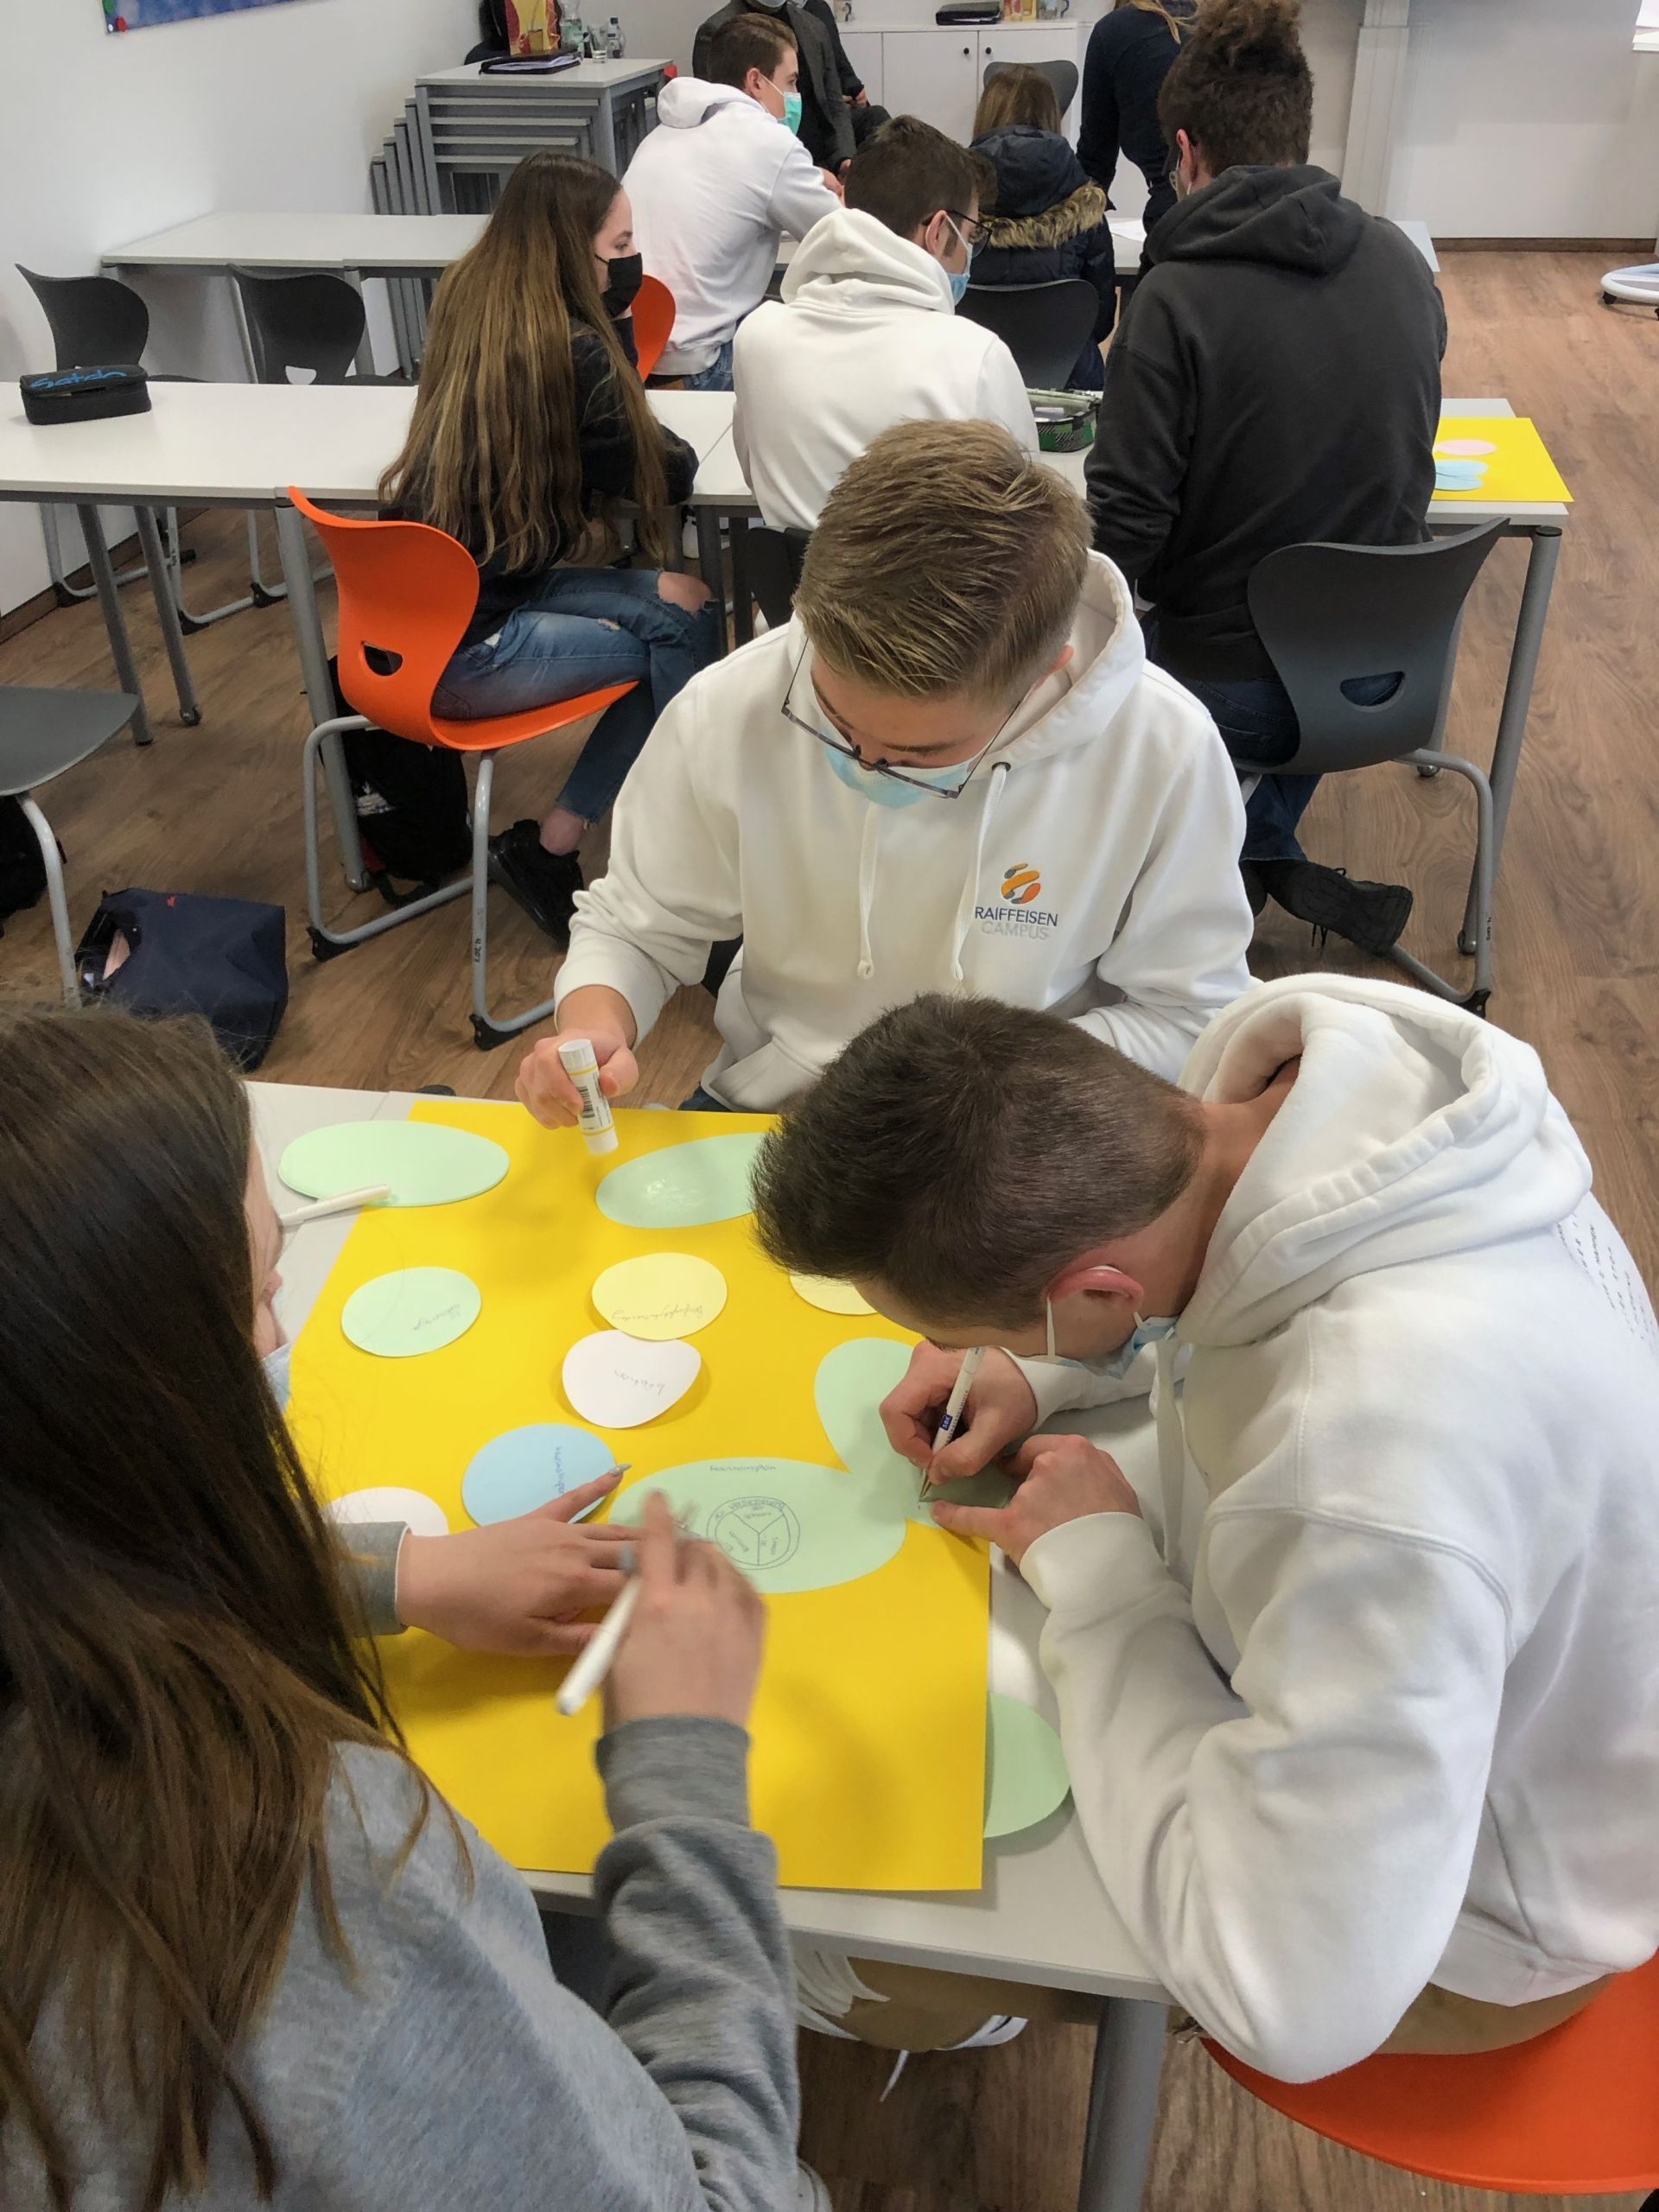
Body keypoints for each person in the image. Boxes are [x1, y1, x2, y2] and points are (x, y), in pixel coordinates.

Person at [750, 977, 1659, 2081]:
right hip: (1444, 1678)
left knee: (838, 1927)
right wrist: (1040, 1367)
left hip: (1479, 1919)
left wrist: (1107, 1587)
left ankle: (952, 2006)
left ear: (1099, 1290)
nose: (970, 1352)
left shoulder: (1369, 1464)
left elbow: (1291, 1998)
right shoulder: (1308, 1099)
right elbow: (1219, 1292)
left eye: (979, 1331)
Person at [0, 1003, 824, 2209]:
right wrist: (688, 1776)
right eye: (261, 1291)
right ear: (148, 1399)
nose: (281, 1333)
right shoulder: (305, 1890)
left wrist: (398, 1575)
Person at [515, 417, 1252, 1129]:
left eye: (920, 754)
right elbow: (636, 925)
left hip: (1025, 1129)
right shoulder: (734, 701)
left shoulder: (1163, 749)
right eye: (832, 721)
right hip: (778, 1104)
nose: (863, 764)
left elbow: (1190, 1015)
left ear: (1041, 674)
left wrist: (991, 1094)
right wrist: (593, 1026)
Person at [1084, 0, 1446, 954]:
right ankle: (1265, 857)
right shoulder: (1403, 265)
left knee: (1074, 651)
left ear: (1185, 151)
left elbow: (1122, 534)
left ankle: (1206, 878)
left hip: (1233, 686)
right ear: (1300, 136)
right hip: (1387, 668)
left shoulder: (1172, 299)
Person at [378, 150, 717, 944]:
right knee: (681, 638)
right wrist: (616, 326)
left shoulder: (470, 300)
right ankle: (676, 856)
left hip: (449, 600)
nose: (633, 260)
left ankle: (582, 844)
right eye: (621, 245)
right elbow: (665, 471)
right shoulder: (576, 349)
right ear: (571, 251)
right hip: (471, 644)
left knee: (689, 609)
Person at [733, 116, 1037, 532]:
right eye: (970, 237)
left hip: (796, 575)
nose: (969, 254)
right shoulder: (975, 359)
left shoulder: (758, 339)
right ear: (937, 232)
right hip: (929, 577)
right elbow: (1022, 517)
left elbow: (756, 476)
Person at [622, 14, 842, 392]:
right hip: (699, 364)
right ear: (757, 81)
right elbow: (843, 238)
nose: (795, 96)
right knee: (827, 353)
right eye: (791, 82)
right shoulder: (768, 141)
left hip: (634, 352)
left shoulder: (666, 130)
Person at [969, 68, 1116, 393]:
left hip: (973, 386)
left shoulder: (953, 209)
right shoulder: (1087, 210)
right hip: (1071, 393)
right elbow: (1101, 320)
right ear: (1052, 117)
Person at [695, 0, 890, 173]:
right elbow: (717, 115)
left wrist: (844, 158)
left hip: (821, 142)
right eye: (790, 82)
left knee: (877, 119)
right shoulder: (718, 32)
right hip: (768, 150)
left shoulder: (813, 26)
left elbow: (834, 105)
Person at [1078, 0, 1196, 231]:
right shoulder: (1234, 24)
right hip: (1256, 208)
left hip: (1176, 212)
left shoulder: (1115, 31)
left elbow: (1094, 163)